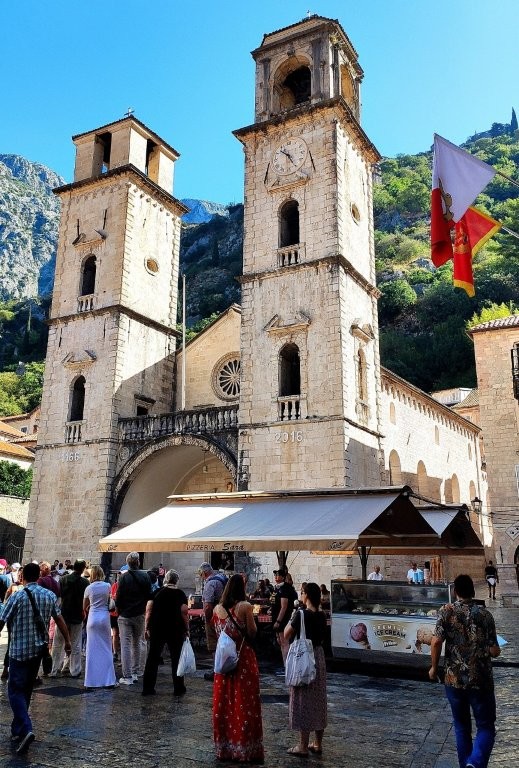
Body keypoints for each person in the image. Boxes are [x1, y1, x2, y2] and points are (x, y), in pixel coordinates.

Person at [429, 574, 500, 768]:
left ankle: (466, 765)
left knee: (461, 726)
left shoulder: (446, 611)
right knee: (486, 726)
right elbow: (494, 651)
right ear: (473, 591)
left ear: (455, 592)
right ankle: (475, 763)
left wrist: (434, 667)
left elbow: (436, 642)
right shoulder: (485, 615)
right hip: (480, 679)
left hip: (454, 679)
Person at [0, 561, 71, 755]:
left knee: (14, 690)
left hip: (18, 651)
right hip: (38, 650)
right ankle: (17, 729)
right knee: (27, 689)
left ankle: (26, 727)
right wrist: (67, 641)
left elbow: (2, 620)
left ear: (23, 576)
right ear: (38, 576)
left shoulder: (17, 596)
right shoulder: (49, 596)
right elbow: (59, 619)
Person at [212, 574, 264, 763]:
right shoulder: (244, 607)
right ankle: (244, 747)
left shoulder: (217, 609)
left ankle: (225, 747)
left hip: (223, 661)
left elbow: (216, 632)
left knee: (224, 703)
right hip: (242, 659)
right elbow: (252, 631)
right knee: (244, 702)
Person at [284, 582, 328, 757]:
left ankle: (302, 745)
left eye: (302, 592)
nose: (301, 595)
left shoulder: (301, 614)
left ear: (307, 595)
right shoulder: (322, 615)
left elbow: (287, 633)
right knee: (318, 698)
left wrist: (292, 617)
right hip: (318, 656)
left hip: (304, 657)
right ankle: (318, 743)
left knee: (303, 699)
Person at [142, 568, 189, 696]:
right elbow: (184, 612)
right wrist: (187, 629)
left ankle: (148, 688)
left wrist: (146, 627)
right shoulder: (180, 594)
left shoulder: (156, 592)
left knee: (153, 657)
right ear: (176, 580)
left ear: (165, 580)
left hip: (157, 628)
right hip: (176, 629)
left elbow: (148, 611)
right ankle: (178, 687)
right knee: (176, 658)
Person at [115, 552, 152, 686]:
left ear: (128, 563)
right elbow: (149, 595)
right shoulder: (145, 576)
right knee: (137, 643)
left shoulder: (123, 577)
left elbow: (119, 596)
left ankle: (127, 675)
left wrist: (118, 610)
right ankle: (135, 672)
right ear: (138, 562)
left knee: (125, 645)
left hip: (125, 614)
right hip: (140, 614)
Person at [50, 559, 88, 678]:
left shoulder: (63, 579)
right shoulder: (85, 582)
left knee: (58, 643)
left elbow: (58, 597)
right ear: (83, 569)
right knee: (76, 643)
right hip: (77, 615)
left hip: (64, 615)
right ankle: (75, 670)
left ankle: (54, 669)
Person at [82, 565, 117, 689]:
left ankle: (91, 682)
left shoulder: (89, 588)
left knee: (91, 650)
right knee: (106, 649)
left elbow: (84, 607)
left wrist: (90, 607)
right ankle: (108, 680)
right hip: (104, 618)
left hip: (93, 618)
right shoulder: (107, 586)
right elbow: (110, 601)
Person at [200, 561, 228, 681]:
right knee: (224, 642)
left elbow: (208, 605)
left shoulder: (210, 583)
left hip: (214, 617)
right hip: (225, 615)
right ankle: (226, 668)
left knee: (213, 644)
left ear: (204, 573)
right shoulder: (223, 578)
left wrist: (208, 620)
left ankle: (216, 671)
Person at [272, 566, 298, 664]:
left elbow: (284, 607)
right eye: (275, 575)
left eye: (278, 575)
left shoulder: (284, 589)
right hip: (276, 617)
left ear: (283, 577)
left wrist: (278, 621)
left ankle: (287, 665)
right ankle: (285, 664)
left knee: (284, 642)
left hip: (283, 619)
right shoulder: (277, 588)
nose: (276, 577)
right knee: (281, 641)